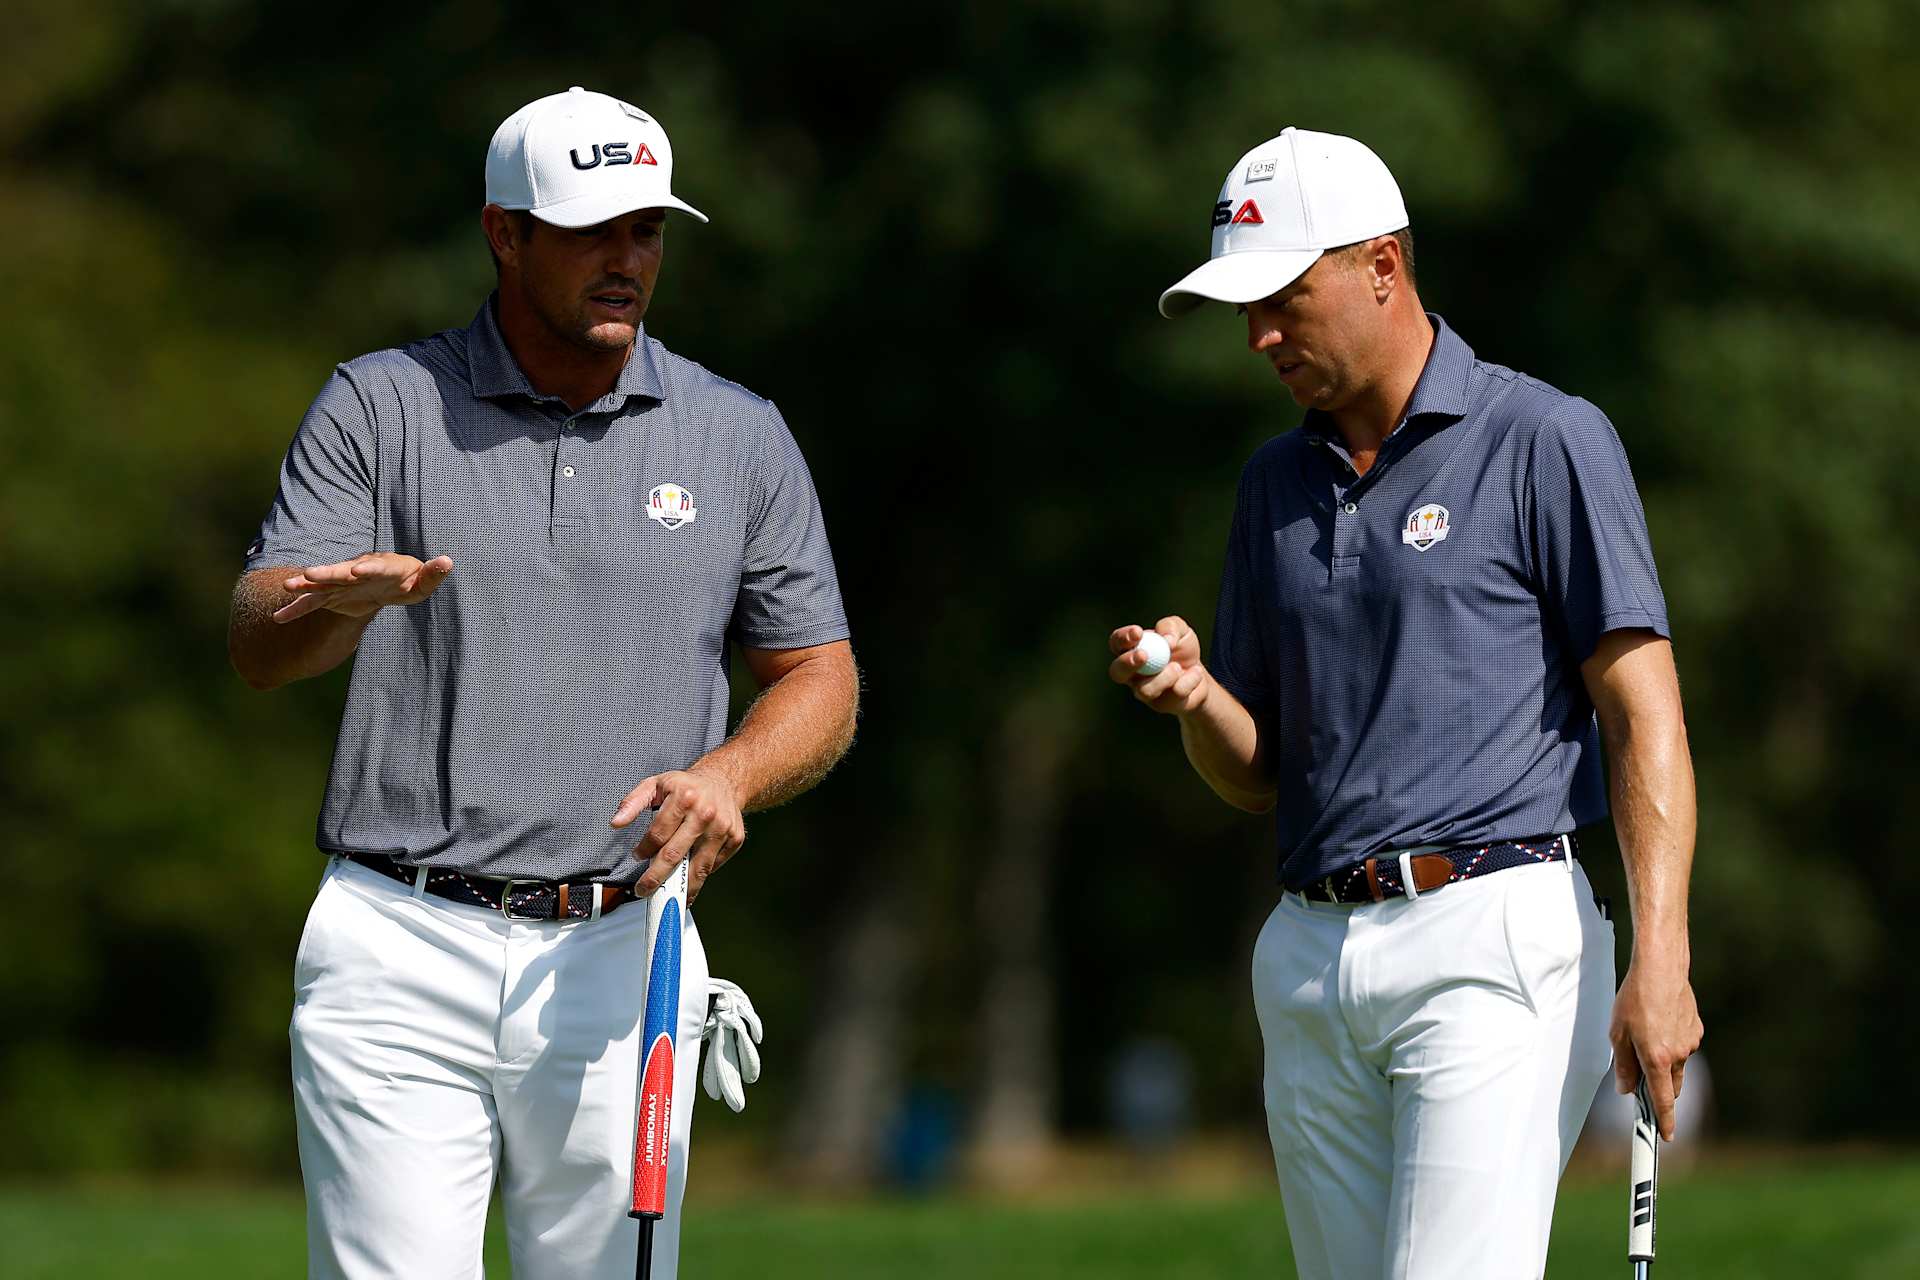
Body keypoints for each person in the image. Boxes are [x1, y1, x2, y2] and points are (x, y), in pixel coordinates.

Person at [229, 86, 858, 1280]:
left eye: (648, 231)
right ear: (505, 233)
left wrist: (734, 774)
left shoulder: (737, 433)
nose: (627, 260)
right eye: (591, 231)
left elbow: (816, 672)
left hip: (622, 950)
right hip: (398, 938)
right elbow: (261, 642)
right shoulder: (381, 402)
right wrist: (330, 602)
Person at [1108, 127, 1702, 1278]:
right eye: (1247, 310)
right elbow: (1260, 770)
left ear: (1382, 265)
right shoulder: (1271, 483)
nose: (1260, 335)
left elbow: (1645, 711)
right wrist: (1192, 698)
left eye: (1284, 297)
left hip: (1493, 932)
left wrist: (1662, 954)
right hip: (1310, 957)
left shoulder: (1546, 438)